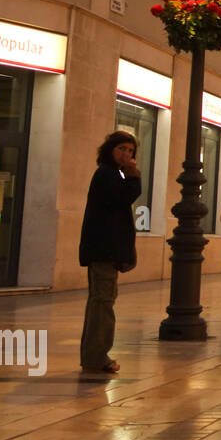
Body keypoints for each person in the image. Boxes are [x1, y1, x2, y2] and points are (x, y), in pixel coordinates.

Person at [78, 131, 142, 374]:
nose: (126, 154)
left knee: (100, 302)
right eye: (122, 149)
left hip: (103, 250)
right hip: (103, 250)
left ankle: (93, 355)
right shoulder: (106, 174)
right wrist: (134, 177)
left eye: (130, 151)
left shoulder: (110, 173)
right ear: (110, 150)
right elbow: (124, 197)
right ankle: (97, 357)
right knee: (103, 303)